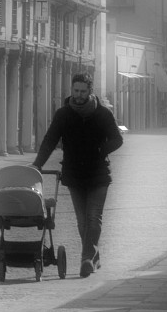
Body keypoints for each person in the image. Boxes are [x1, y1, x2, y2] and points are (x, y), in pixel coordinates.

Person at [33, 71, 125, 277]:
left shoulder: (103, 114)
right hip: (74, 174)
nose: (79, 95)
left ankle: (86, 259)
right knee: (82, 221)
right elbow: (50, 140)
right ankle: (94, 255)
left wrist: (102, 150)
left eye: (83, 91)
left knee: (94, 218)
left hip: (98, 174)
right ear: (72, 90)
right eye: (76, 90)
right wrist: (37, 164)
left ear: (90, 91)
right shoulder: (63, 115)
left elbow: (117, 139)